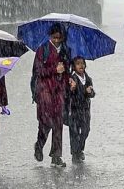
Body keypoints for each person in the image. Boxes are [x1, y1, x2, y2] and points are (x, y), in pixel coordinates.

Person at [32, 24, 69, 168]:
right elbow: (38, 70)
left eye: (60, 38)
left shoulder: (65, 51)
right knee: (46, 122)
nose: (57, 41)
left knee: (58, 123)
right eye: (54, 38)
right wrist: (55, 69)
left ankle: (56, 155)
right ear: (50, 36)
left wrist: (68, 81)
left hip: (59, 91)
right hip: (44, 91)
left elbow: (66, 71)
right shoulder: (42, 50)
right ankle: (39, 145)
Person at [67, 57, 95, 164]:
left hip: (85, 110)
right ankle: (75, 153)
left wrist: (90, 92)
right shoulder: (72, 79)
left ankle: (80, 149)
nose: (81, 66)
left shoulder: (88, 79)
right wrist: (72, 89)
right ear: (74, 67)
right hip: (74, 110)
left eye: (82, 63)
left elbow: (92, 94)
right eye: (78, 64)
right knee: (74, 132)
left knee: (85, 130)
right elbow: (71, 94)